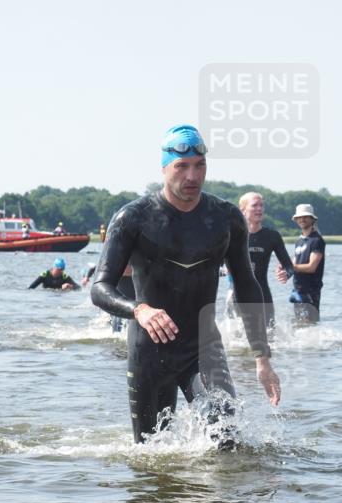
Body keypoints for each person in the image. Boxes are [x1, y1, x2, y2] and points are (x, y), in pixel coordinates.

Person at [90, 124, 281, 445]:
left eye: (199, 166)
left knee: (228, 442)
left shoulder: (225, 218)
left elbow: (248, 286)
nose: (192, 176)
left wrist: (262, 359)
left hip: (203, 347)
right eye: (181, 167)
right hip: (148, 350)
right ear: (165, 168)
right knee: (150, 454)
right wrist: (139, 309)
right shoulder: (133, 218)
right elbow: (100, 288)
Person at [237, 192, 294, 331]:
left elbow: (289, 266)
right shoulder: (234, 235)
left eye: (261, 205)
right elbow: (216, 266)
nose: (259, 209)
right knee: (237, 339)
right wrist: (224, 271)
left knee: (269, 335)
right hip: (237, 295)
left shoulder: (272, 236)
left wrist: (286, 274)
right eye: (254, 205)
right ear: (243, 210)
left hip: (262, 294)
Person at [288, 204, 326, 324]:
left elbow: (311, 267)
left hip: (311, 290)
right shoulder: (299, 241)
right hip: (298, 289)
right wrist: (285, 271)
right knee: (299, 324)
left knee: (310, 324)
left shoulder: (317, 240)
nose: (302, 219)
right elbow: (294, 264)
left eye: (305, 217)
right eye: (299, 217)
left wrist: (290, 267)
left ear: (312, 219)